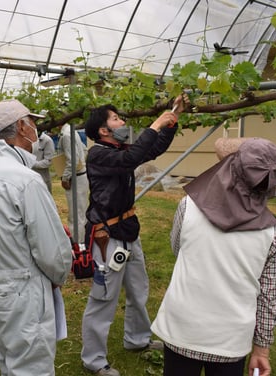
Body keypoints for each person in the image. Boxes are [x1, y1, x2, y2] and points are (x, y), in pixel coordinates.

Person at [152, 137, 276, 376]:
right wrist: (262, 350)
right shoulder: (271, 234)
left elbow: (178, 249)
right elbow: (269, 297)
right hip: (230, 339)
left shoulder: (188, 207)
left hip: (182, 329)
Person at [0, 99, 72, 376]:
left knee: (9, 364)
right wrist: (59, 275)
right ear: (22, 127)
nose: (36, 130)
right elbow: (52, 253)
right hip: (23, 293)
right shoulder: (25, 180)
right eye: (32, 124)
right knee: (32, 369)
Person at [81, 95, 186, 376]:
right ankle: (93, 359)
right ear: (103, 130)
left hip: (127, 229)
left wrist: (171, 122)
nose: (122, 122)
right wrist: (156, 123)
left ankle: (137, 339)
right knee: (103, 298)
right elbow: (132, 158)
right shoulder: (99, 154)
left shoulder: (119, 150)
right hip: (107, 235)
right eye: (116, 119)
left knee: (138, 289)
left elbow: (150, 151)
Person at [58, 123, 89, 243]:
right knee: (81, 213)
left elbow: (73, 160)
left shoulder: (66, 135)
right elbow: (84, 149)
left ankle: (78, 244)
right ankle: (83, 241)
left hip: (75, 178)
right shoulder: (71, 131)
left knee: (75, 216)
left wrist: (65, 177)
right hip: (79, 175)